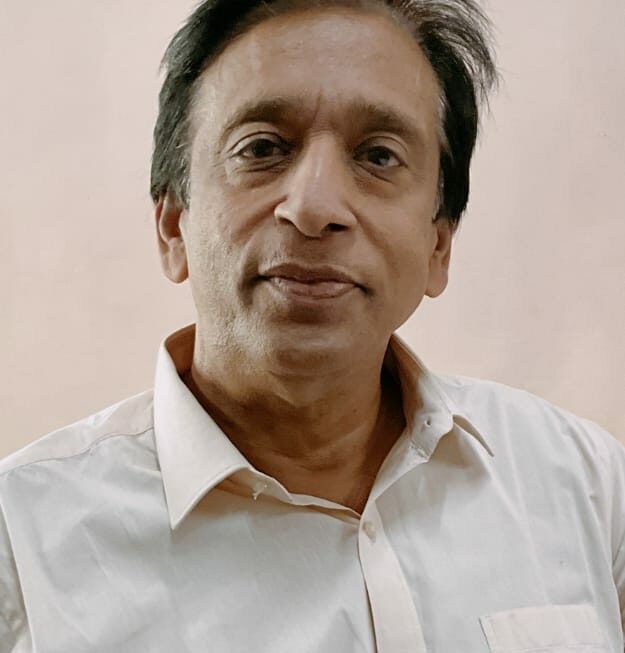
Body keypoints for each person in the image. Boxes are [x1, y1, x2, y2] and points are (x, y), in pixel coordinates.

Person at [1, 0, 623, 650]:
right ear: (173, 225)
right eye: (263, 148)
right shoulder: (22, 544)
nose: (315, 205)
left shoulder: (585, 485)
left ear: (438, 245)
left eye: (378, 156)